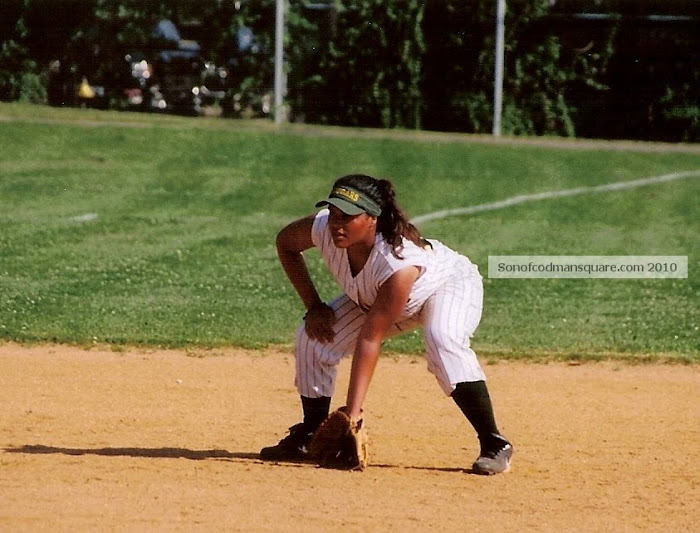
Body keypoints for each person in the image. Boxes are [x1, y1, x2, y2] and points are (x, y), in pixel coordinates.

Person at [260, 174, 512, 475]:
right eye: (335, 214)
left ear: (371, 218)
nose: (337, 224)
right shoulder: (324, 228)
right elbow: (285, 243)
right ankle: (312, 433)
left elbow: (370, 338)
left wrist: (352, 415)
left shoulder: (398, 261)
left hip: (446, 285)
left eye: (349, 217)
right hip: (376, 297)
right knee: (314, 337)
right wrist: (313, 306)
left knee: (442, 339)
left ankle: (495, 443)